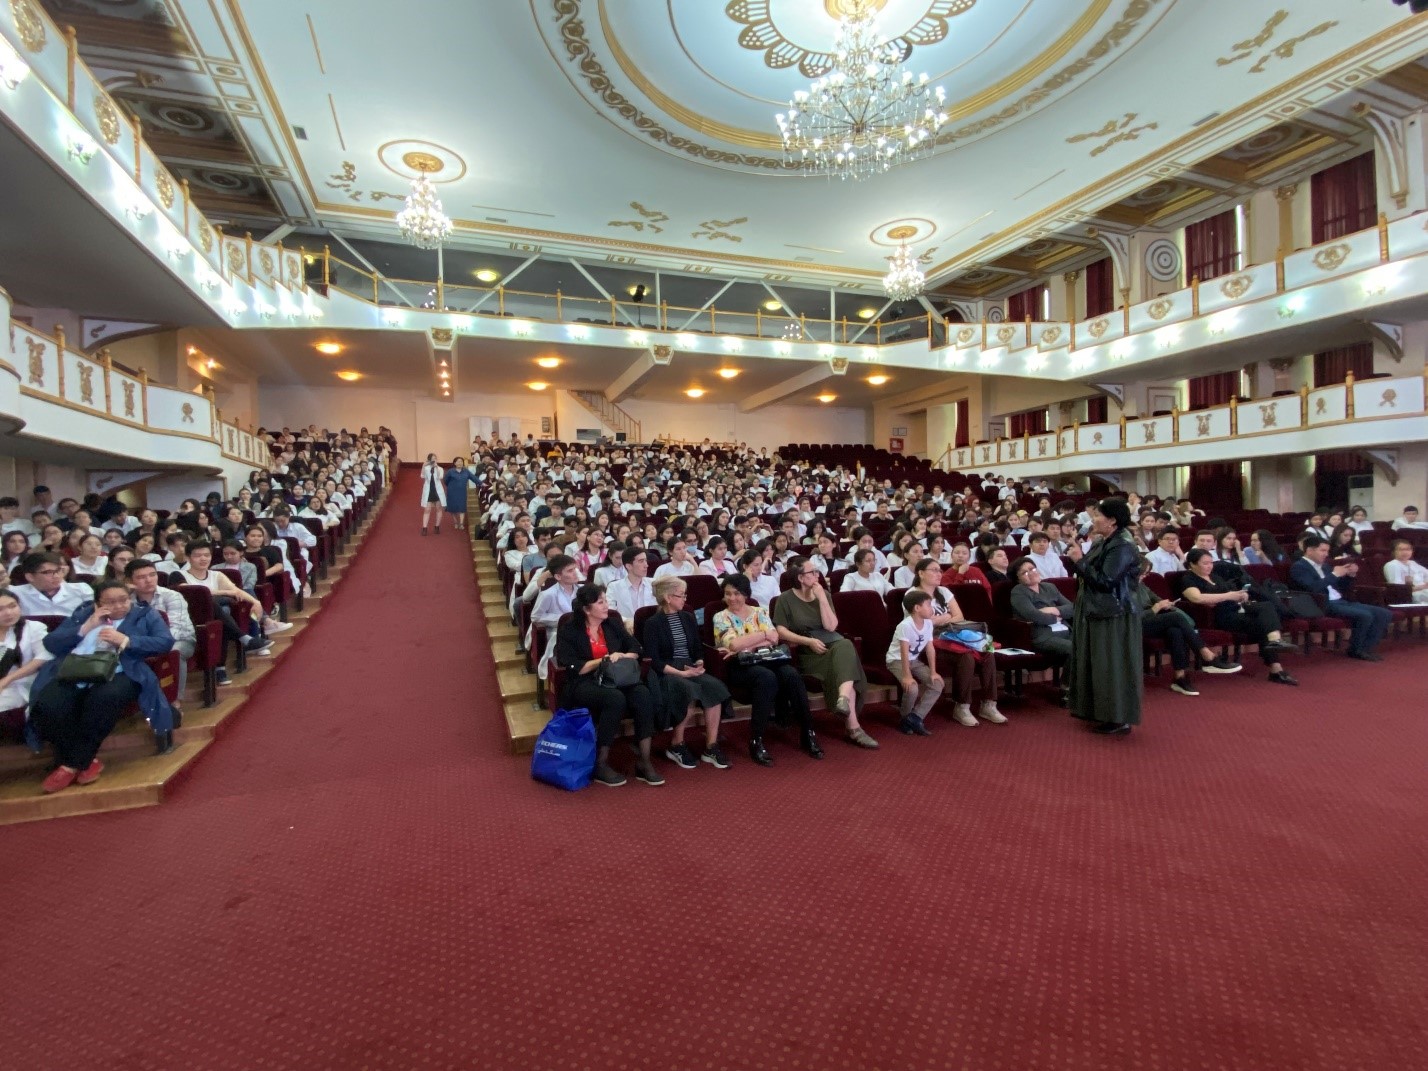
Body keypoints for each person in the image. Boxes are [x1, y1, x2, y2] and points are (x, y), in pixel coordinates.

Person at [27, 580, 175, 792]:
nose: (119, 606)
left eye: (123, 600)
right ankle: (87, 762)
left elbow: (165, 642)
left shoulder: (145, 614)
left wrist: (126, 640)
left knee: (102, 699)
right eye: (110, 602)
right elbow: (51, 642)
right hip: (75, 671)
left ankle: (69, 766)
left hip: (123, 671)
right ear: (97, 603)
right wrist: (86, 627)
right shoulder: (84, 613)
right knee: (48, 704)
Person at [553, 584, 660, 787]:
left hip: (616, 678)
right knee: (614, 698)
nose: (606, 606)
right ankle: (600, 763)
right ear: (587, 609)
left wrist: (622, 655)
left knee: (642, 694)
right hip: (585, 681)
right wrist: (604, 660)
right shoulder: (570, 630)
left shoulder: (612, 624)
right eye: (600, 602)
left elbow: (636, 648)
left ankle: (644, 760)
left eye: (606, 601)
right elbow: (574, 667)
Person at [713, 574, 820, 764]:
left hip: (768, 659)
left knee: (791, 675)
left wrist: (748, 644)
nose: (732, 598)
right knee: (766, 677)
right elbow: (734, 645)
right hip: (739, 666)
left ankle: (808, 733)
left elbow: (775, 638)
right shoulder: (721, 617)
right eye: (728, 594)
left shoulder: (759, 611)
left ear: (745, 594)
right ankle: (756, 740)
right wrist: (763, 635)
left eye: (736, 593)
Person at [772, 556, 876, 749]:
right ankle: (854, 728)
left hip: (831, 643)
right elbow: (781, 631)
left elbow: (831, 626)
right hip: (807, 650)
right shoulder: (785, 599)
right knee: (846, 667)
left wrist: (821, 599)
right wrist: (808, 641)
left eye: (816, 571)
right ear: (800, 577)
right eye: (812, 572)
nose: (817, 575)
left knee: (845, 645)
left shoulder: (824, 594)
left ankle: (843, 700)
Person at [1066, 497, 1143, 735]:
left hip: (1113, 613)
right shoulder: (1105, 541)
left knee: (1110, 663)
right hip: (1097, 609)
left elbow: (1106, 581)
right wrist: (1080, 558)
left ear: (1112, 521)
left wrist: (1079, 560)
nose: (1094, 519)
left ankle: (1117, 717)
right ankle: (1096, 710)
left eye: (1098, 515)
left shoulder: (1122, 545)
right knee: (1097, 661)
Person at [643, 575, 734, 770]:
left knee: (715, 688)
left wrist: (699, 662)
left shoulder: (687, 617)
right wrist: (681, 673)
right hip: (667, 671)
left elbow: (697, 648)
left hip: (689, 666)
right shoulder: (653, 623)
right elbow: (654, 661)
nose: (685, 599)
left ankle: (711, 746)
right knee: (688, 691)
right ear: (668, 598)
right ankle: (676, 744)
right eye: (681, 595)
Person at [1181, 548, 1298, 684]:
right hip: (1220, 616)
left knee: (1266, 608)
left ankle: (1275, 647)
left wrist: (1240, 595)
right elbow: (1197, 598)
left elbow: (1230, 593)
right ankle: (1276, 666)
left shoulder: (1215, 577)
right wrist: (1228, 596)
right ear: (1192, 564)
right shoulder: (1188, 579)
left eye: (1211, 563)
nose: (1209, 566)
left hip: (1236, 609)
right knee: (1264, 624)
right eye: (1205, 563)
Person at [908, 557, 1002, 726]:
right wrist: (945, 617)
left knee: (987, 651)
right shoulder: (912, 594)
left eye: (940, 570)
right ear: (921, 573)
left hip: (953, 634)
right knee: (966, 656)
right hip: (928, 640)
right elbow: (917, 622)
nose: (939, 574)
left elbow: (959, 616)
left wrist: (940, 619)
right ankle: (962, 706)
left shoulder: (944, 591)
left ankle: (989, 704)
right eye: (934, 570)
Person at [1129, 558, 1241, 695]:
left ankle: (1180, 677)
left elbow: (1156, 598)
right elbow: (1130, 616)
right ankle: (1206, 655)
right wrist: (1155, 609)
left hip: (1152, 620)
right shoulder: (1123, 588)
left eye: (1147, 573)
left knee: (1175, 631)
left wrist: (1165, 604)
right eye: (1143, 573)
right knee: (1175, 617)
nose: (1145, 576)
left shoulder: (1141, 585)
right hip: (1134, 624)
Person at [1290, 535, 1393, 661]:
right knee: (1365, 615)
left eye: (1327, 551)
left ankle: (1366, 648)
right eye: (1322, 550)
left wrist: (1350, 575)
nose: (1326, 554)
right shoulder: (1299, 567)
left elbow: (1340, 587)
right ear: (1310, 550)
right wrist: (1334, 574)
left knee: (1384, 613)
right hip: (1322, 604)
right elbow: (1313, 588)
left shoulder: (1325, 566)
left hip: (1340, 601)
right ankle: (1355, 649)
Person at [179, 541, 274, 658]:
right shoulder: (179, 575)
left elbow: (236, 591)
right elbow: (196, 593)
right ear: (188, 557)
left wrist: (256, 602)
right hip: (193, 614)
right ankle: (244, 638)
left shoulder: (216, 575)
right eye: (198, 556)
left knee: (224, 610)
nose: (203, 559)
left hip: (215, 614)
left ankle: (224, 661)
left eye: (207, 555)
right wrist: (226, 593)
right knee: (216, 602)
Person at [126, 558, 199, 703]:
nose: (148, 580)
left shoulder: (172, 596)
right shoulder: (128, 601)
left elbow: (176, 629)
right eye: (141, 577)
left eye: (152, 575)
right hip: (144, 643)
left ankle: (174, 700)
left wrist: (152, 645)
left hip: (180, 640)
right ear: (130, 581)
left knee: (174, 651)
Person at [886, 589, 943, 737]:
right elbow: (904, 652)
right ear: (917, 608)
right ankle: (904, 717)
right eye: (928, 605)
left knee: (937, 684)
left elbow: (930, 649)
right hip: (896, 660)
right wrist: (907, 676)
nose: (932, 609)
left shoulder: (928, 623)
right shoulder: (905, 625)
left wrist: (933, 672)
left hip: (913, 660)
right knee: (912, 688)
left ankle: (915, 717)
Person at [0, 589, 53, 741]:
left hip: (23, 683)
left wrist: (8, 679)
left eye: (13, 606)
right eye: (1, 609)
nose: (8, 613)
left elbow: (43, 657)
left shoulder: (34, 628)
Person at [1009, 557, 1074, 661]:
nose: (1031, 573)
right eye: (1025, 573)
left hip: (1066, 631)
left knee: (1090, 646)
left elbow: (1072, 608)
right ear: (1018, 579)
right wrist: (1055, 618)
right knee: (1075, 649)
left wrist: (1054, 610)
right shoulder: (1018, 592)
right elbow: (1032, 614)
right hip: (1044, 636)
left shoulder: (1049, 587)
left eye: (1032, 569)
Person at [10, 552, 96, 616]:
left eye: (58, 571)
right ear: (30, 577)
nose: (56, 576)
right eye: (48, 572)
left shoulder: (81, 589)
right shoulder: (15, 593)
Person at [606, 546, 657, 629]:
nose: (646, 565)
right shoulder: (614, 587)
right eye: (641, 561)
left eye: (646, 560)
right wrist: (626, 621)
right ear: (629, 566)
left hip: (652, 628)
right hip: (626, 629)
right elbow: (610, 611)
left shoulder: (654, 583)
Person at [1383, 539, 1428, 603]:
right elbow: (1399, 589)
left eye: (1408, 549)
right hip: (1410, 595)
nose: (1405, 552)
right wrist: (1423, 587)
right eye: (1401, 550)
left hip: (1424, 591)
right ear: (1393, 551)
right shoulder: (1392, 565)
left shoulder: (1412, 563)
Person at [443, 457, 478, 532]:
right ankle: (456, 522)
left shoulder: (466, 471)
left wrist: (481, 483)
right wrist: (451, 486)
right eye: (458, 461)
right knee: (453, 508)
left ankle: (461, 523)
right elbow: (445, 480)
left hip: (462, 492)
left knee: (462, 507)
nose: (460, 463)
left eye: (461, 461)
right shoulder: (450, 471)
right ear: (455, 463)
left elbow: (473, 478)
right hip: (452, 492)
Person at [419, 454, 446, 535]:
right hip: (429, 491)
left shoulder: (440, 468)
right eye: (432, 459)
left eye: (435, 458)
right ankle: (424, 528)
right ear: (429, 460)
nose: (434, 460)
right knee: (427, 509)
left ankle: (437, 526)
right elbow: (422, 476)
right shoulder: (426, 468)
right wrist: (423, 465)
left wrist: (436, 467)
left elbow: (440, 477)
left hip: (437, 491)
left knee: (438, 509)